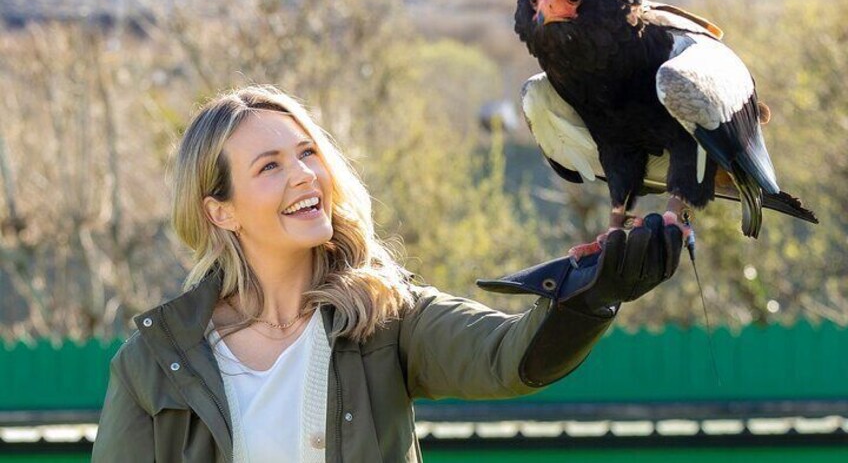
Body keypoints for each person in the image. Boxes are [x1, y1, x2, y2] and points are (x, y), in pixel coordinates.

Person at [92, 85, 683, 462]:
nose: (303, 175)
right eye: (269, 166)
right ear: (219, 210)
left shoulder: (383, 316)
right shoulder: (155, 361)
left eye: (306, 154)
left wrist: (592, 297)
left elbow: (510, 358)